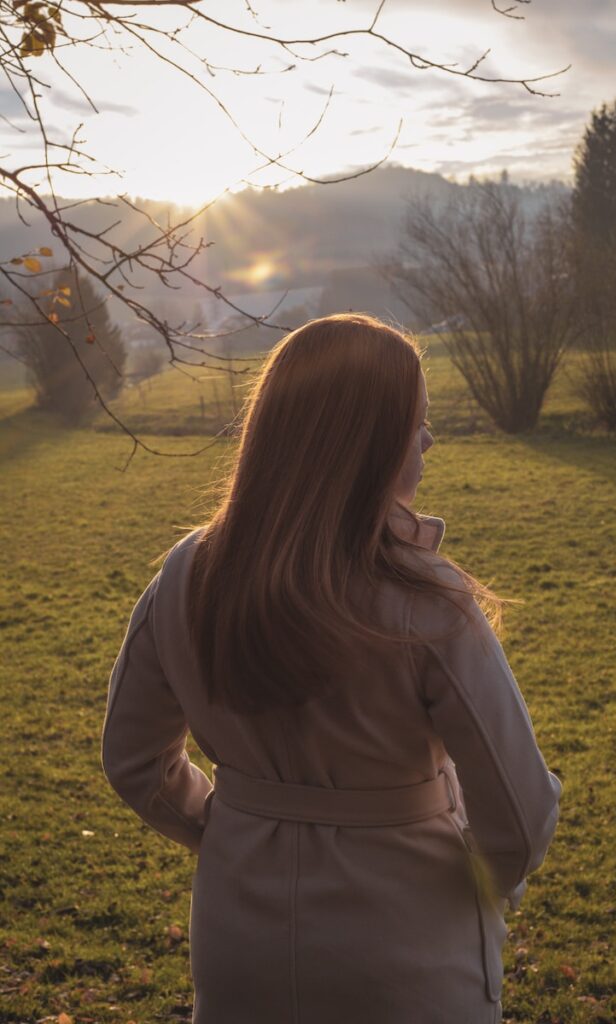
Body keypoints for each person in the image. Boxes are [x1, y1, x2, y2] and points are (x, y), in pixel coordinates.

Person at [101, 312, 562, 1024]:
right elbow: (522, 814)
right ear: (367, 444)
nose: (429, 441)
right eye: (415, 424)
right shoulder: (425, 601)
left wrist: (233, 826)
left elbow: (134, 762)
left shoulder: (188, 572)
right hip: (406, 947)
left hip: (238, 941)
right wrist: (482, 881)